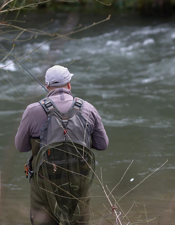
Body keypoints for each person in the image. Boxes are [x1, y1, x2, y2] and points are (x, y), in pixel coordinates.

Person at [15, 65, 109, 225]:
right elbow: (102, 144)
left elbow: (21, 147)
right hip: (78, 182)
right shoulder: (88, 109)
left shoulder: (33, 110)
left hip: (44, 182)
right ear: (69, 84)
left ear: (47, 86)